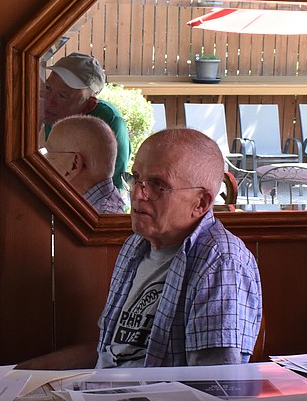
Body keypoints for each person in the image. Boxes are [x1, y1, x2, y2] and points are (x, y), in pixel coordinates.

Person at [23, 128, 262, 369]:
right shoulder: (136, 245)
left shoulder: (221, 262)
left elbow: (216, 386)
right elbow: (110, 353)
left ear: (200, 203)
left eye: (158, 185)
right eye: (136, 178)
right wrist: (21, 373)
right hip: (100, 393)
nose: (137, 193)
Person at [40, 52, 130, 186]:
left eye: (63, 95)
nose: (49, 100)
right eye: (48, 88)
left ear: (89, 105)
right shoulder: (53, 114)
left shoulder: (109, 121)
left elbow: (114, 186)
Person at [44, 114, 126, 214]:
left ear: (73, 165)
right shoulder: (94, 206)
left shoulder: (98, 221)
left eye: (49, 153)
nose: (44, 161)